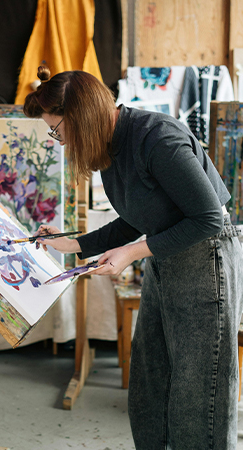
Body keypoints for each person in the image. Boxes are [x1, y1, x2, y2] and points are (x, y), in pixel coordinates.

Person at [23, 65, 243, 450]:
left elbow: (207, 218)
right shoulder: (111, 147)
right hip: (166, 257)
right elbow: (135, 219)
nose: (58, 141)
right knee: (149, 384)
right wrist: (73, 245)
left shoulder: (158, 138)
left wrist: (132, 253)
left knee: (197, 393)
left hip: (205, 260)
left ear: (81, 118)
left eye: (57, 130)